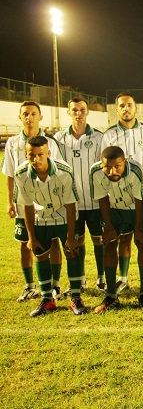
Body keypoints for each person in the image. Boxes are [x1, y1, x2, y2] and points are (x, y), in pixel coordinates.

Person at [13, 136, 87, 316]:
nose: (36, 159)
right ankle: (47, 299)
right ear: (26, 154)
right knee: (40, 253)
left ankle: (76, 298)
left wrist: (70, 236)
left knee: (71, 250)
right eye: (31, 155)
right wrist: (31, 237)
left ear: (48, 153)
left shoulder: (64, 172)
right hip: (41, 216)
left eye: (40, 155)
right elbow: (27, 206)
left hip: (64, 214)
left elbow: (71, 206)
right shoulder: (21, 174)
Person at [2, 101, 64, 302]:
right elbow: (9, 174)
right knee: (25, 243)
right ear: (20, 117)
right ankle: (29, 286)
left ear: (40, 117)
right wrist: (10, 202)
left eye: (33, 113)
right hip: (23, 202)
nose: (29, 117)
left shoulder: (51, 143)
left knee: (54, 242)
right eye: (25, 114)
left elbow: (59, 171)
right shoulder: (12, 143)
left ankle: (55, 284)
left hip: (49, 202)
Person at [102, 93, 143, 294]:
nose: (126, 109)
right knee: (124, 238)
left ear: (136, 108)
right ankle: (123, 278)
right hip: (118, 197)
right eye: (122, 106)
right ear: (117, 109)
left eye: (130, 105)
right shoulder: (109, 135)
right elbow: (105, 167)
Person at [90, 146, 143, 311]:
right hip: (114, 207)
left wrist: (139, 228)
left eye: (117, 166)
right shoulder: (96, 172)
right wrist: (109, 226)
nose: (112, 171)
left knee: (142, 243)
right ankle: (111, 295)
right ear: (101, 163)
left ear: (124, 162)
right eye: (107, 167)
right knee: (110, 243)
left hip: (138, 207)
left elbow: (140, 200)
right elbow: (102, 199)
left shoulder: (135, 171)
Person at [53, 98, 105, 290]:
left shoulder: (99, 137)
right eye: (74, 110)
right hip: (71, 203)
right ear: (69, 112)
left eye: (82, 110)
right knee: (76, 240)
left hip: (95, 200)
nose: (78, 113)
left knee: (99, 239)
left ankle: (101, 277)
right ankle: (81, 279)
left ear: (87, 112)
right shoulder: (59, 138)